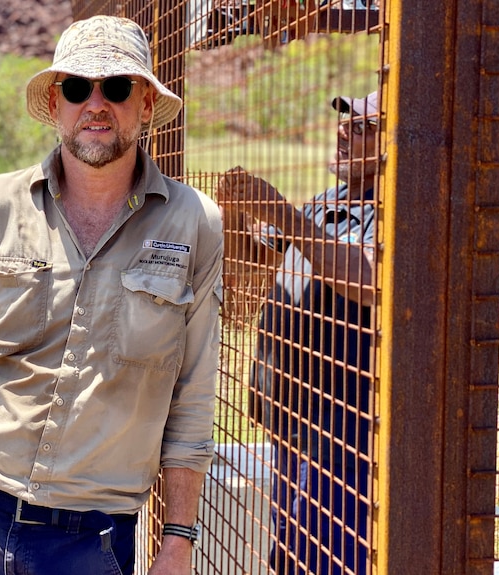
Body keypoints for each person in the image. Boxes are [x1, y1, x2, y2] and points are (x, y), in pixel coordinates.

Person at [0, 15, 225, 575]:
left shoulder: (193, 224)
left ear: (146, 104)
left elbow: (194, 394)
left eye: (118, 88)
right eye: (78, 87)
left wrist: (177, 540)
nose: (96, 104)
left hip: (91, 539)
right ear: (56, 104)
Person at [218, 91, 379, 574]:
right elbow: (247, 281)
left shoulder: (398, 210)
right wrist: (235, 212)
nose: (345, 129)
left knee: (327, 559)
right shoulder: (327, 202)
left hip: (344, 440)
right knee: (290, 556)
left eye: (365, 125)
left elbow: (369, 280)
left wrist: (283, 213)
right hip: (291, 427)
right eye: (345, 118)